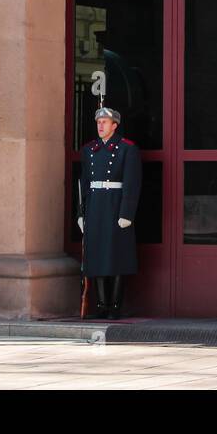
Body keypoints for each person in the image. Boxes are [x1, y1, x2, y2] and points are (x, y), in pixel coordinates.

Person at [77, 104, 141, 319]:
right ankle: (102, 305)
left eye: (104, 122)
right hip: (96, 206)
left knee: (115, 257)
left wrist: (127, 213)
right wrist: (80, 214)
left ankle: (114, 306)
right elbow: (84, 183)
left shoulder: (126, 148)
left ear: (115, 125)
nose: (100, 126)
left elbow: (132, 183)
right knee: (96, 257)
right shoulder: (89, 150)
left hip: (115, 206)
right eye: (98, 123)